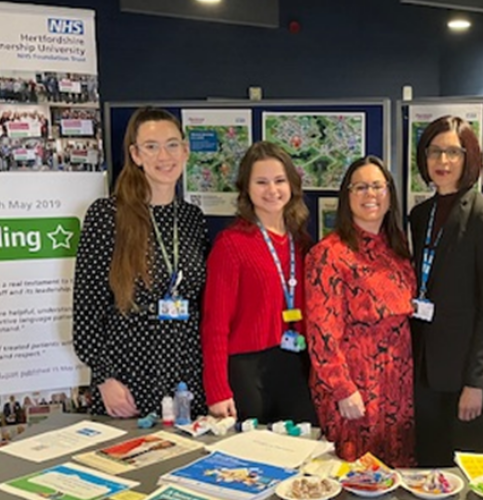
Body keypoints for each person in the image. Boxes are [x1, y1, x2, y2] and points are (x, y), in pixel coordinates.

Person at [73, 107, 208, 419]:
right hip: (128, 370)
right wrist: (105, 377)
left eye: (173, 144)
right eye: (151, 146)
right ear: (135, 154)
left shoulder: (191, 218)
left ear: (186, 151)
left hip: (186, 367)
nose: (165, 155)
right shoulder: (107, 216)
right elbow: (87, 308)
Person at [409, 115, 483, 467]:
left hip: (464, 375)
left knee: (467, 472)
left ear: (469, 158)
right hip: (424, 367)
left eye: (453, 152)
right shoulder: (420, 214)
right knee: (429, 467)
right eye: (434, 152)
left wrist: (477, 383)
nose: (442, 162)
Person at [305, 156, 416, 466]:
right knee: (352, 474)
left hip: (398, 385)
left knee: (394, 474)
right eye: (361, 187)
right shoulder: (327, 254)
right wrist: (342, 390)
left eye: (378, 186)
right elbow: (322, 333)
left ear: (390, 195)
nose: (371, 194)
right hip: (353, 388)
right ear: (347, 196)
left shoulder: (398, 249)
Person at [202, 141, 316, 424]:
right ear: (247, 189)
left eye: (279, 180)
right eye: (261, 182)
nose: (272, 190)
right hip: (246, 371)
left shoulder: (302, 243)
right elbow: (215, 323)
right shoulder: (231, 244)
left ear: (292, 185)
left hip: (295, 364)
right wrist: (217, 389)